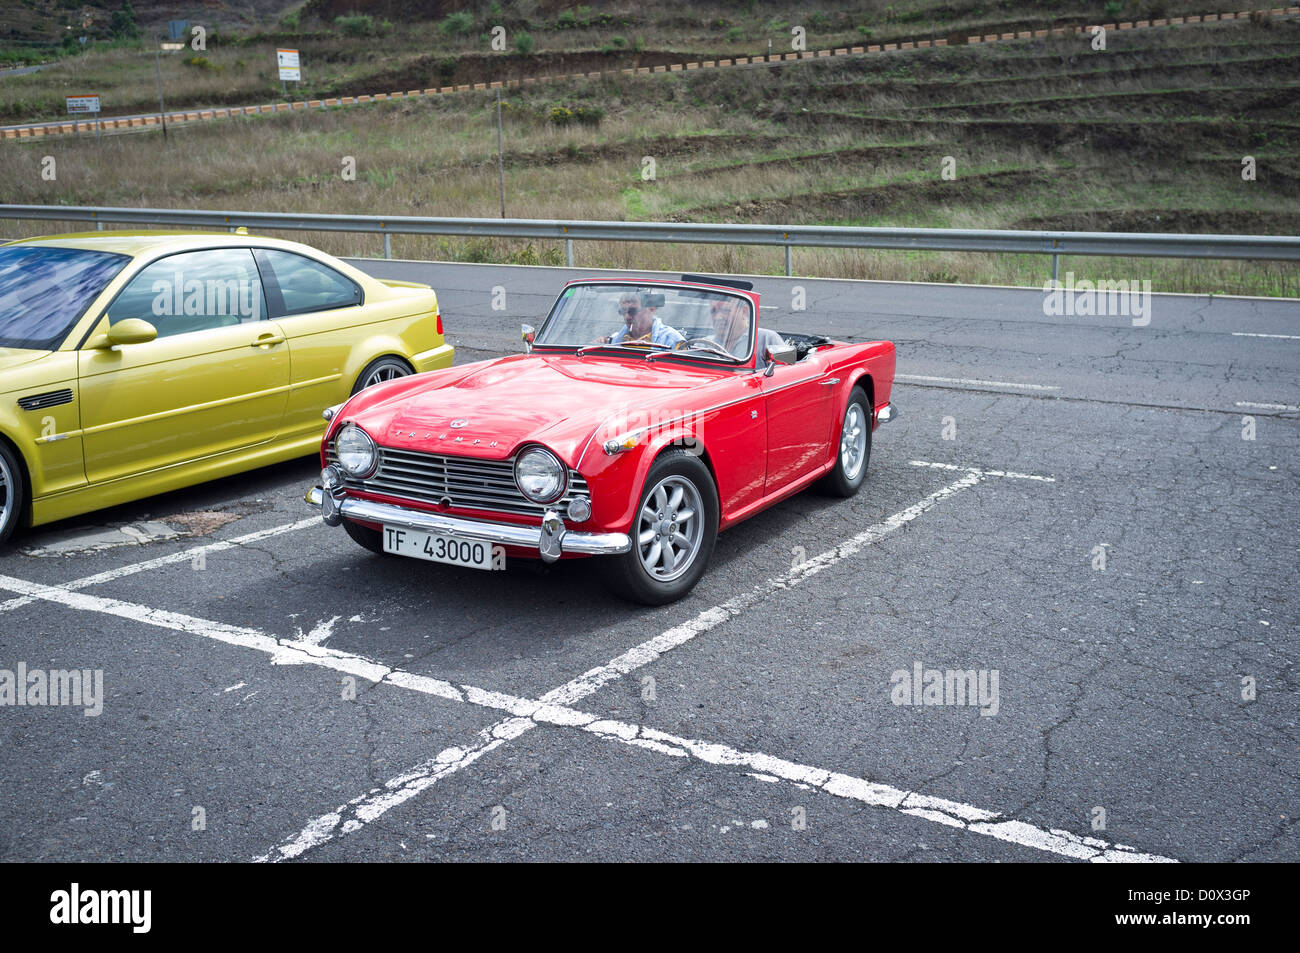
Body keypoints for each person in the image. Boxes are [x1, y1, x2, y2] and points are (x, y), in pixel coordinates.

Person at [705, 297, 784, 361]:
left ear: (744, 311)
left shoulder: (767, 339)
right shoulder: (704, 344)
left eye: (725, 310)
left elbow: (784, 373)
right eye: (713, 311)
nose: (718, 317)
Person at [596, 291, 684, 348]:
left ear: (652, 308)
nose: (627, 317)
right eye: (622, 311)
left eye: (633, 311)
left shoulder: (673, 341)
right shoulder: (614, 341)